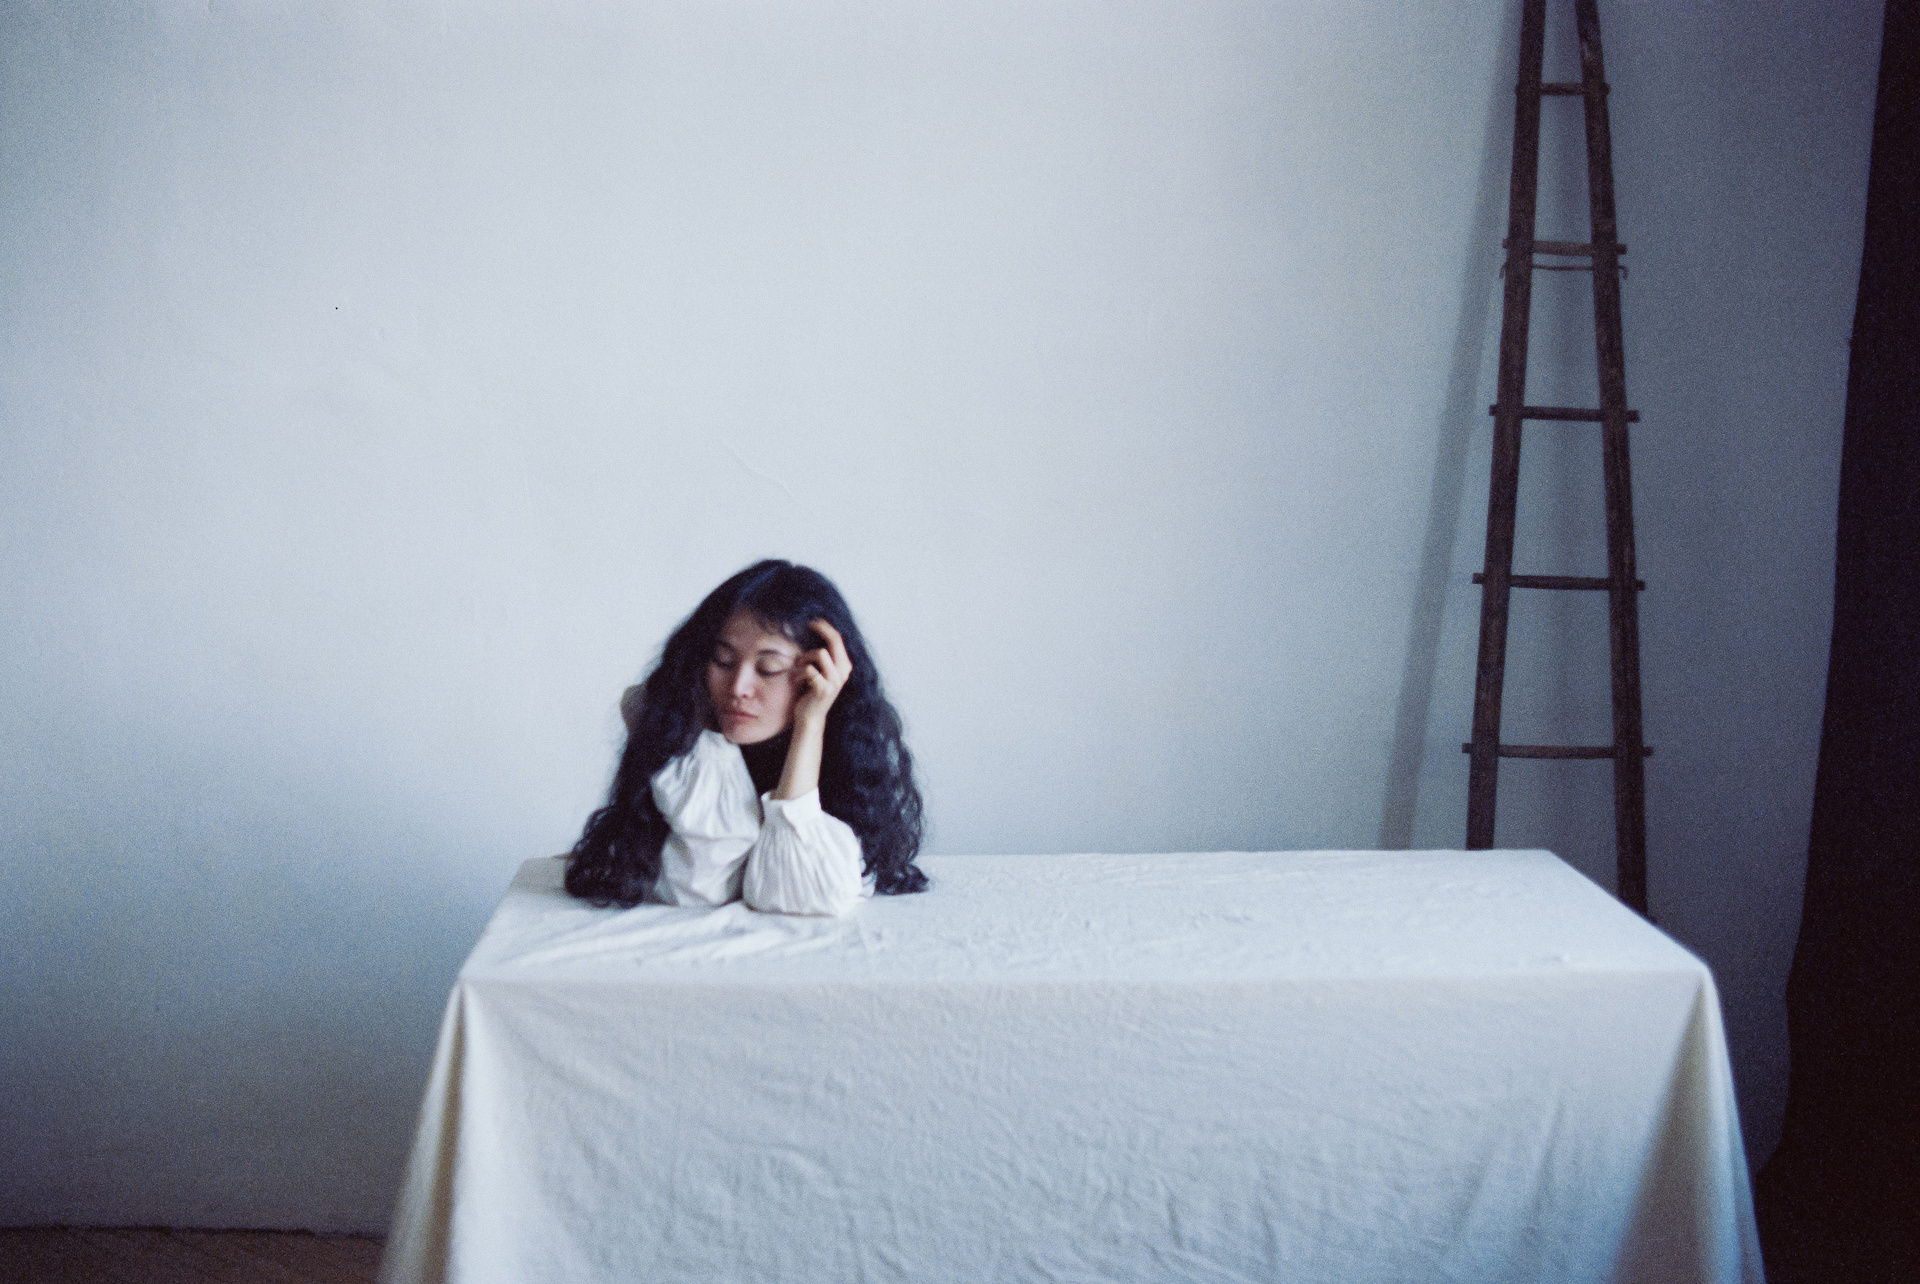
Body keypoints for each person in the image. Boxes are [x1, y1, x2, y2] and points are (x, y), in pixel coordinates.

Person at [565, 559, 928, 915]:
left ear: (819, 673)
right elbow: (701, 886)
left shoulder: (846, 757)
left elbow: (795, 893)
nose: (738, 687)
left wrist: (810, 722)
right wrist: (706, 736)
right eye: (722, 661)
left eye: (769, 668)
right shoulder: (671, 727)